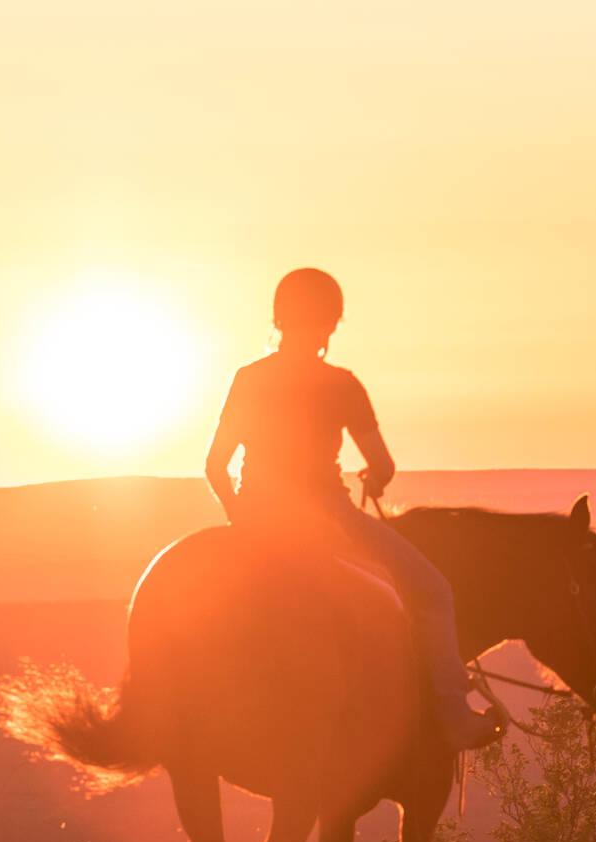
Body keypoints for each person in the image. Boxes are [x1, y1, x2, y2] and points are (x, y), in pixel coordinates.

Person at [206, 269, 501, 750]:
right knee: (432, 591)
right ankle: (452, 712)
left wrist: (242, 519)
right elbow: (381, 465)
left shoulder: (249, 379)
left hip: (258, 518)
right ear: (330, 323)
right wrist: (374, 480)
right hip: (327, 519)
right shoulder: (341, 385)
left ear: (280, 319)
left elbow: (216, 465)